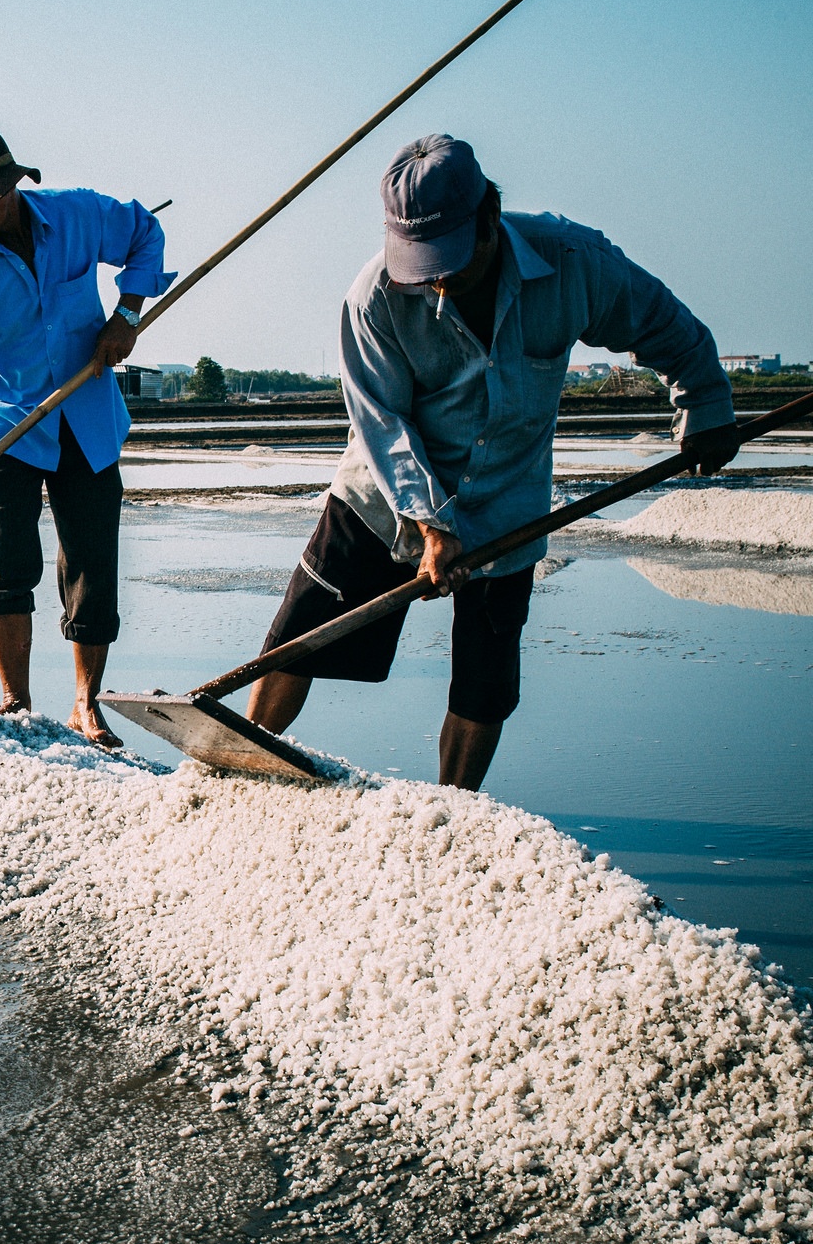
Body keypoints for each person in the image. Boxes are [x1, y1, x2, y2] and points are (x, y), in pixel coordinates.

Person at [247, 134, 741, 790]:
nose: (438, 281)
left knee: (485, 682)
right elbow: (381, 424)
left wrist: (706, 402)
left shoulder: (571, 262)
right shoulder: (374, 299)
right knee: (302, 636)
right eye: (423, 266)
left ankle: (454, 807)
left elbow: (664, 324)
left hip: (507, 504)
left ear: (489, 219)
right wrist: (431, 523)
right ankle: (241, 768)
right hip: (384, 493)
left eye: (448, 260)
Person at [0, 127, 173, 748]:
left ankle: (85, 703)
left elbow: (144, 236)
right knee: (6, 564)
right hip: (5, 427)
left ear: (10, 189)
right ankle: (16, 703)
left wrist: (126, 316)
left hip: (86, 416)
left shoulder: (78, 215)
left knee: (92, 561)